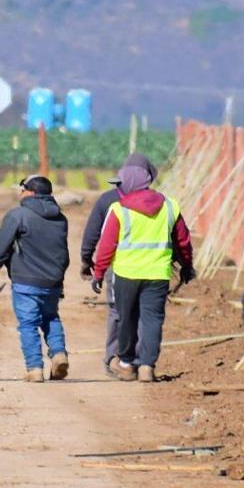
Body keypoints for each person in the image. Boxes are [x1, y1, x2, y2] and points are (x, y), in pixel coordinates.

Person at [90, 161, 195, 382]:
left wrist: (99, 273)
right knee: (152, 320)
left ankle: (127, 364)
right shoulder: (170, 206)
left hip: (126, 274)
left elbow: (106, 246)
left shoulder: (118, 210)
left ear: (130, 184)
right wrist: (187, 266)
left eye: (121, 184)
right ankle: (147, 365)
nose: (118, 188)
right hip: (157, 274)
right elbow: (183, 241)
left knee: (126, 318)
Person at [0, 175, 70, 382]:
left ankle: (34, 369)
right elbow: (63, 252)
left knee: (28, 324)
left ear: (31, 192)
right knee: (51, 317)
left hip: (26, 281)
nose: (19, 194)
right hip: (53, 281)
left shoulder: (18, 215)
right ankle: (59, 353)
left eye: (22, 190)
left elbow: (2, 245)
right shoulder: (61, 218)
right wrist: (60, 279)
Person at [79, 153, 157, 378]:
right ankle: (143, 362)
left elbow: (93, 234)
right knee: (146, 313)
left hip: (119, 265)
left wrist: (87, 261)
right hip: (153, 266)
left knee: (118, 311)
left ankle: (117, 359)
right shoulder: (159, 202)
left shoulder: (107, 200)